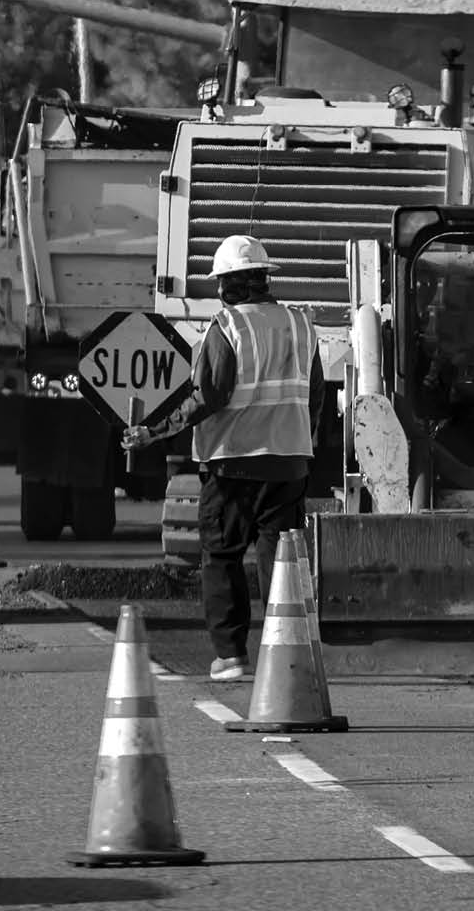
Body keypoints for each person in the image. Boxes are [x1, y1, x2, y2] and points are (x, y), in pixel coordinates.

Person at [121, 234, 325, 681]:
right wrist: (301, 446)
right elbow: (315, 398)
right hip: (289, 463)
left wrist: (154, 431)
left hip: (232, 463)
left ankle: (232, 656)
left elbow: (206, 397)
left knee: (221, 557)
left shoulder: (227, 327)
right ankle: (286, 656)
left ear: (232, 284)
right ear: (264, 280)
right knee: (283, 562)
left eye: (221, 282)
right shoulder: (301, 325)